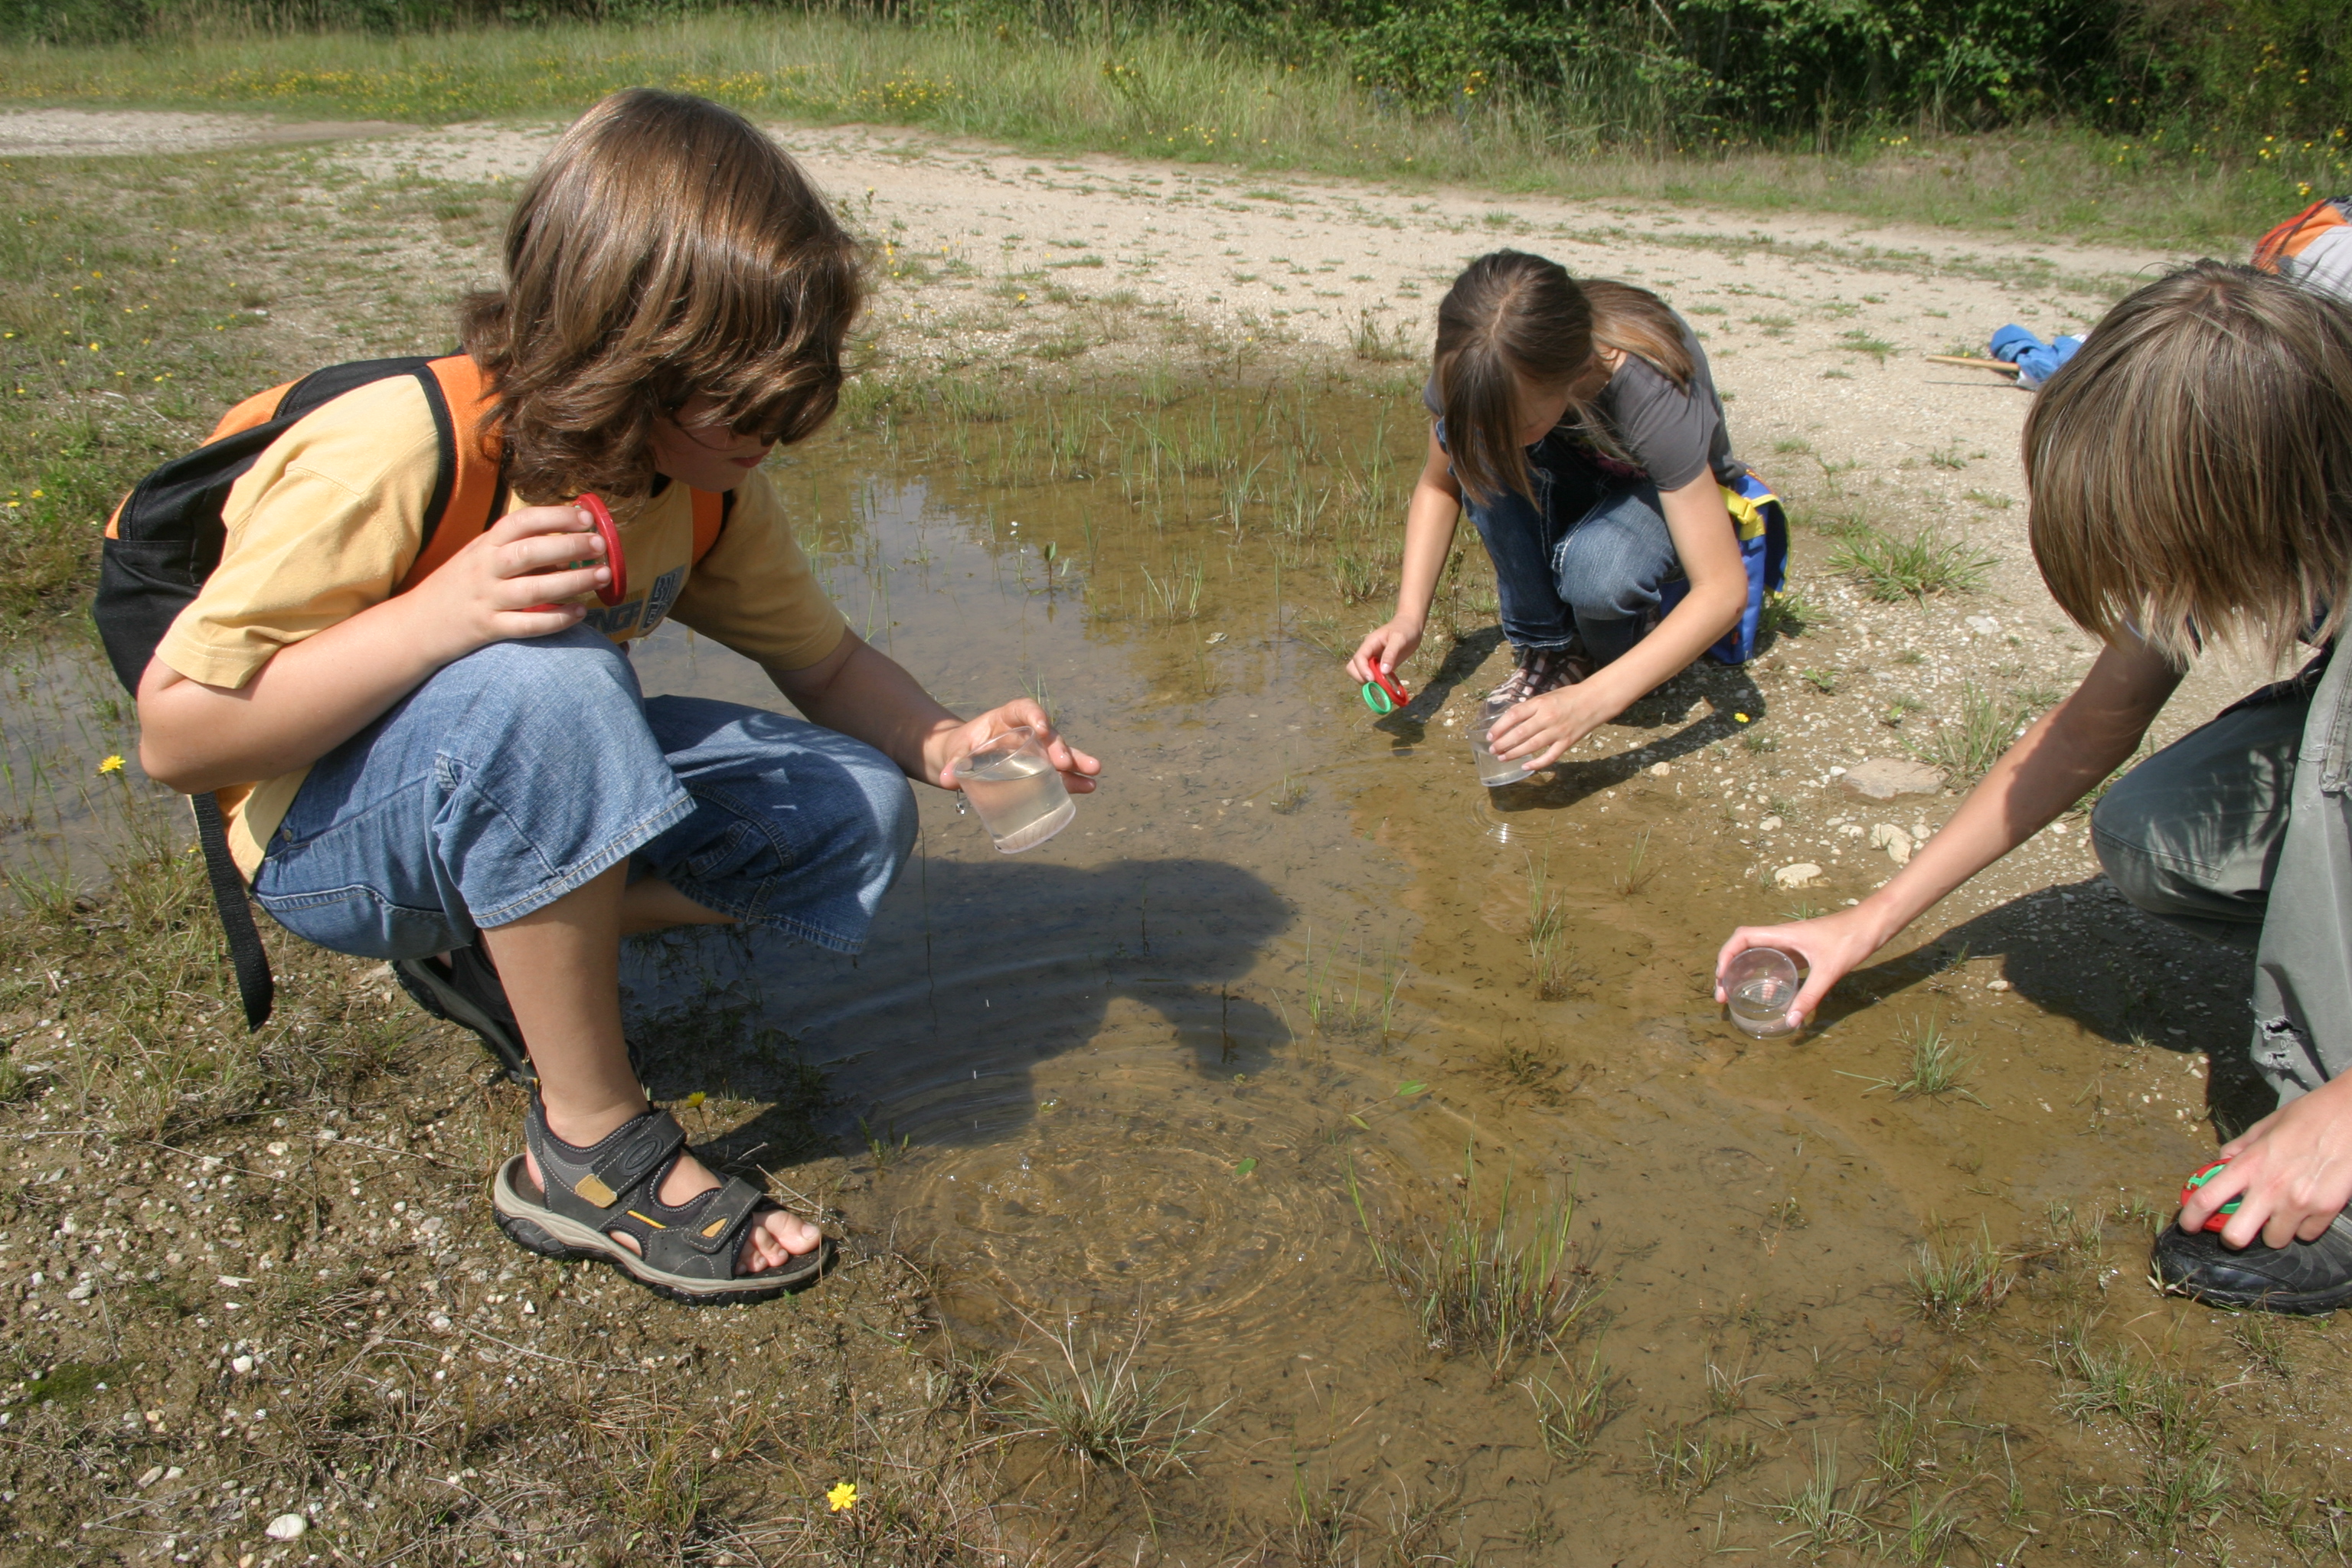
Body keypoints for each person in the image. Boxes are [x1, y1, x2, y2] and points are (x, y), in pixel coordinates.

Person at [131, 90, 1098, 1305]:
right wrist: (440, 618)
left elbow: (829, 667)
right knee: (554, 675)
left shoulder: (703, 482)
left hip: (500, 774)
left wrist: (949, 740)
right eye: (749, 392)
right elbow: (175, 734)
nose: (785, 423)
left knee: (854, 808)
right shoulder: (400, 448)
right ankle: (583, 1151)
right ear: (630, 352)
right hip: (319, 833)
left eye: (803, 379)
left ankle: (516, 941)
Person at [1715, 260, 2352, 1314]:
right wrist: (1865, 923)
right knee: (2158, 834)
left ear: (2271, 500)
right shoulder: (2245, 418)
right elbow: (2093, 725)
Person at [1346, 250, 1757, 769]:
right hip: (1576, 476)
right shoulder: (1475, 370)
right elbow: (1439, 486)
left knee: (1596, 569)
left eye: (1518, 424)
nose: (1501, 437)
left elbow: (1723, 591)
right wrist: (1409, 618)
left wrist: (1590, 702)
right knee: (1474, 447)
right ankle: (1552, 649)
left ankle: (1629, 633)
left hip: (1672, 499)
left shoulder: (1646, 386)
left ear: (1571, 375)